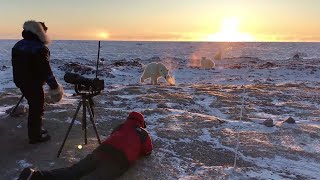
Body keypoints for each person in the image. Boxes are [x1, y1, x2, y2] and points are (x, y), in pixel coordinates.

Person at [18, 111, 153, 180]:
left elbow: (114, 136)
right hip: (118, 160)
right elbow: (148, 151)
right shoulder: (142, 133)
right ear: (141, 123)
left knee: (74, 171)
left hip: (102, 150)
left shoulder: (121, 126)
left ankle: (36, 176)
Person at [11, 20, 61, 144]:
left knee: (34, 105)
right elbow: (46, 70)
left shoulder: (18, 45)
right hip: (33, 83)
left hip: (20, 80)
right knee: (36, 108)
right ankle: (35, 136)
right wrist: (54, 86)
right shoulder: (39, 48)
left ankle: (36, 129)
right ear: (40, 32)